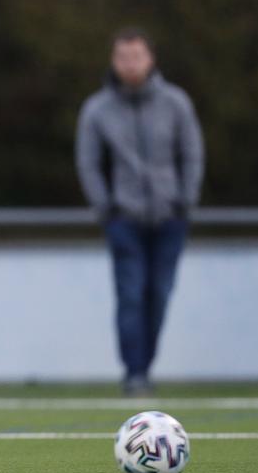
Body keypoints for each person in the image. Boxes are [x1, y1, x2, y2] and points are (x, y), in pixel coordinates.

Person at [75, 27, 204, 396]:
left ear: (151, 59)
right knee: (131, 294)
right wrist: (106, 208)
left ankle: (144, 367)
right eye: (123, 57)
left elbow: (192, 153)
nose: (130, 64)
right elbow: (88, 163)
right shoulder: (97, 109)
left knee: (159, 294)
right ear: (113, 61)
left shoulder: (176, 103)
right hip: (124, 220)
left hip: (170, 218)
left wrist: (185, 200)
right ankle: (134, 374)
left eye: (137, 56)